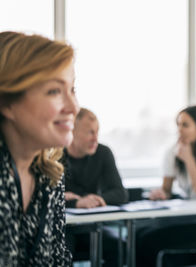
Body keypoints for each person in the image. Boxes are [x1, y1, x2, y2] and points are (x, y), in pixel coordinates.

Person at [0, 31, 78, 266]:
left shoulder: (49, 176)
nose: (73, 106)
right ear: (7, 103)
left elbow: (58, 259)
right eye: (54, 91)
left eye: (72, 90)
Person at [136, 105, 196, 267]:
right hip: (181, 217)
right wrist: (161, 194)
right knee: (137, 232)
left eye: (185, 125)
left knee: (147, 240)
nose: (179, 130)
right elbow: (166, 189)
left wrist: (189, 160)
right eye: (178, 125)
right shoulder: (173, 151)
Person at [64, 107, 128, 266]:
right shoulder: (54, 155)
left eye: (97, 132)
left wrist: (94, 200)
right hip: (62, 228)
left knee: (120, 247)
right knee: (62, 249)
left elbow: (120, 194)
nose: (95, 138)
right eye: (89, 132)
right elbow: (47, 198)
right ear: (72, 131)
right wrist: (77, 203)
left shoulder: (103, 153)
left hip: (91, 226)